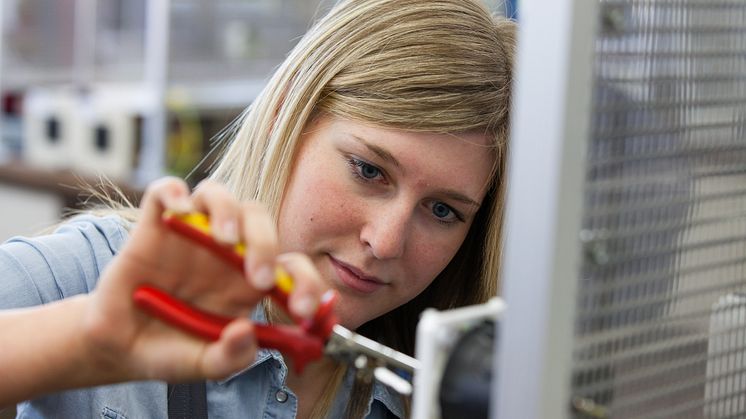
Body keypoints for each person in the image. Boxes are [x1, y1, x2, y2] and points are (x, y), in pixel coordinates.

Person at [0, 0, 515, 417]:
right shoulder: (89, 278)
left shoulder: (432, 390)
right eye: (368, 170)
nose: (385, 241)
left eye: (443, 211)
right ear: (286, 114)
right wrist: (84, 345)